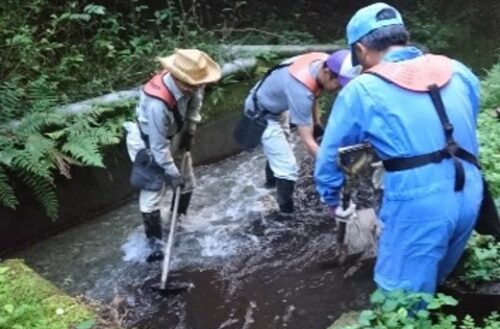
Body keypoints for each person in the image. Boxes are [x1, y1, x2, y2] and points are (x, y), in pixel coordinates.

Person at [315, 3, 483, 294]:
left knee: (401, 299)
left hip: (419, 202)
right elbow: (466, 116)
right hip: (470, 187)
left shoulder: (361, 89)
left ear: (360, 49)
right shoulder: (456, 69)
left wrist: (335, 201)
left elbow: (332, 157)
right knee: (438, 276)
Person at [126, 49, 221, 262]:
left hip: (176, 132)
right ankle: (156, 246)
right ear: (176, 76)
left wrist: (190, 130)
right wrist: (171, 173)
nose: (195, 88)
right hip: (148, 142)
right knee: (153, 192)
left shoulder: (196, 84)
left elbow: (194, 106)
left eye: (197, 84)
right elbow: (158, 147)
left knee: (186, 181)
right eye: (189, 84)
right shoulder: (156, 103)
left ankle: (178, 223)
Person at [240, 49, 358, 217]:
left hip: (276, 104)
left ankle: (270, 186)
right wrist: (331, 164)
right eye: (339, 83)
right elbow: (308, 141)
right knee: (288, 169)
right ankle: (284, 213)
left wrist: (317, 124)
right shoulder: (300, 91)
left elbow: (314, 93)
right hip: (261, 114)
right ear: (326, 72)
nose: (340, 88)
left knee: (281, 150)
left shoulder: (323, 61)